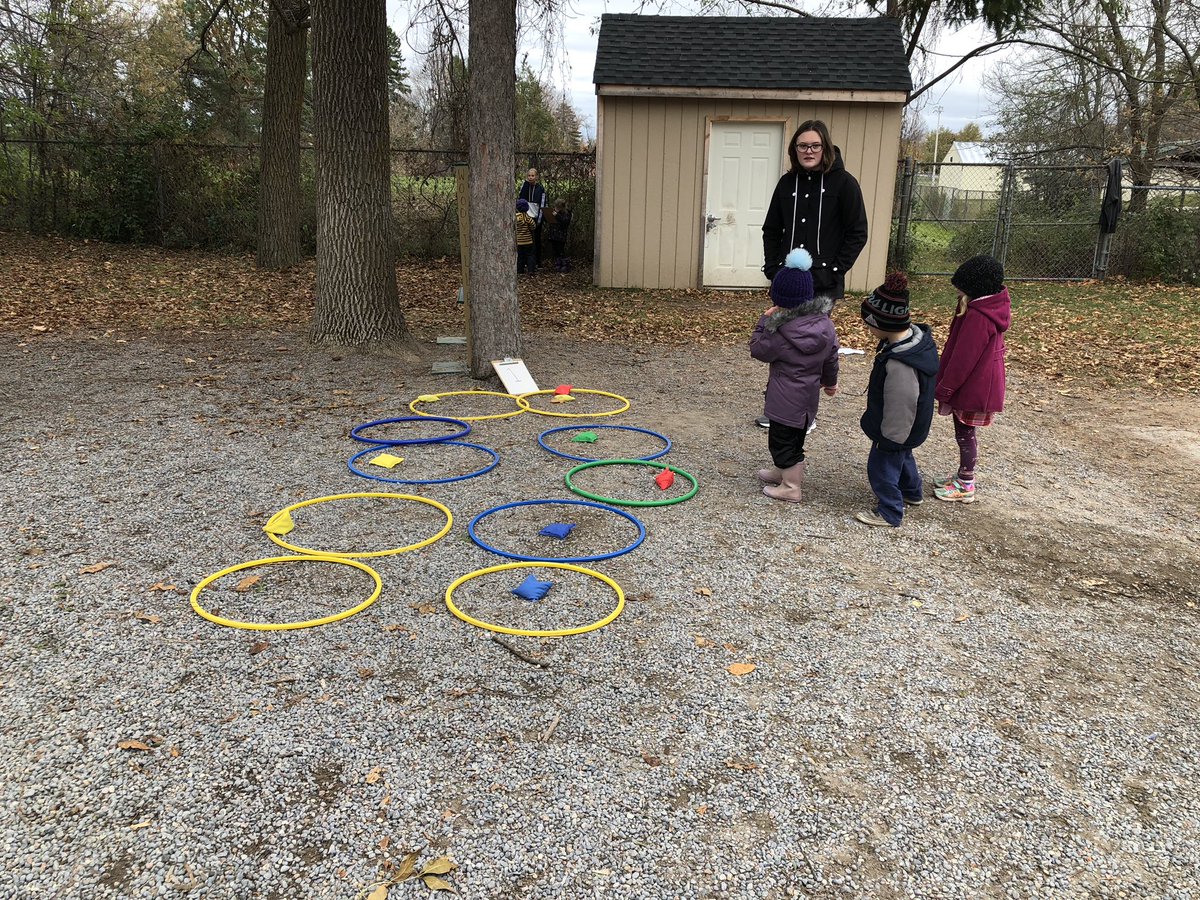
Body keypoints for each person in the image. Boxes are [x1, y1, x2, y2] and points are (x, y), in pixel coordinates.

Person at [756, 119, 868, 429]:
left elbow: (857, 232)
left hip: (822, 282)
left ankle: (806, 414)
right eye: (802, 146)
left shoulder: (844, 183)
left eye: (815, 146)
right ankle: (777, 407)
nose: (808, 151)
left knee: (810, 346)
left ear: (826, 148)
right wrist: (773, 267)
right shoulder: (786, 184)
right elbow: (771, 229)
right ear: (795, 150)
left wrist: (835, 268)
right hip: (788, 282)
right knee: (780, 340)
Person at [748, 248, 840, 503]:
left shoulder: (779, 329)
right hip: (807, 400)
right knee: (793, 438)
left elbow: (758, 349)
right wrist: (830, 382)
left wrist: (764, 322)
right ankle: (782, 471)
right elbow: (832, 357)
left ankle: (791, 486)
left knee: (782, 441)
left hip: (783, 400)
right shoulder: (825, 325)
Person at [855, 272, 939, 528]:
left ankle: (890, 510)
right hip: (910, 427)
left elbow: (902, 402)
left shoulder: (900, 362)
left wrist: (890, 437)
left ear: (881, 323)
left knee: (882, 466)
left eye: (868, 324)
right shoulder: (914, 342)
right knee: (903, 457)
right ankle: (912, 493)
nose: (867, 329)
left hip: (896, 428)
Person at [933, 255, 1011, 503]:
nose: (956, 287)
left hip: (974, 387)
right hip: (974, 384)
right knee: (964, 432)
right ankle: (962, 477)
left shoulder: (979, 317)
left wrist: (945, 388)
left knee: (965, 433)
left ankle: (966, 484)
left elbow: (964, 359)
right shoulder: (977, 307)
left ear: (974, 286)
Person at [517, 167, 548, 271]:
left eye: (532, 175)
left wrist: (539, 220)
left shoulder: (540, 188)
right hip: (525, 218)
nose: (530, 177)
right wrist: (525, 184)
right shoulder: (525, 186)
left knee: (536, 241)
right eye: (529, 175)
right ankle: (525, 263)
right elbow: (520, 198)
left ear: (536, 177)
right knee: (525, 241)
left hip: (536, 218)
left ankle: (537, 262)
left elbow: (543, 203)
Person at [547, 198, 572, 272]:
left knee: (561, 250)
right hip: (554, 234)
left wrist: (557, 215)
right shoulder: (554, 212)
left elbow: (565, 222)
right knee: (555, 251)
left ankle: (565, 265)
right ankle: (558, 265)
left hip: (561, 235)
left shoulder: (567, 213)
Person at [515, 199, 536, 275]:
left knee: (520, 256)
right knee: (530, 255)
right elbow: (533, 226)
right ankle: (531, 270)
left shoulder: (515, 217)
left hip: (519, 241)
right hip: (528, 241)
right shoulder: (528, 218)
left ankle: (520, 270)